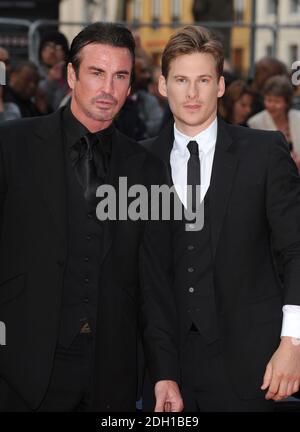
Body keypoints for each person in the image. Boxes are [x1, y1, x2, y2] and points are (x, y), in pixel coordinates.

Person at [0, 22, 182, 412]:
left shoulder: (146, 167)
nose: (108, 89)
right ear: (71, 75)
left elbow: (155, 283)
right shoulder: (13, 146)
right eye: (96, 73)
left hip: (110, 371)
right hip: (22, 364)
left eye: (120, 76)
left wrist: (164, 371)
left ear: (131, 85)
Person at [142, 25, 300, 412]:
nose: (192, 93)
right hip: (169, 372)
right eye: (181, 80)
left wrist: (292, 343)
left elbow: (296, 251)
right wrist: (162, 370)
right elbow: (147, 279)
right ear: (163, 85)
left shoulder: (263, 153)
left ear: (221, 86)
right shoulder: (139, 163)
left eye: (203, 80)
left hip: (257, 366)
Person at [248, 75, 300, 171]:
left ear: (287, 102)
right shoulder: (255, 123)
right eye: (269, 100)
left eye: (277, 101)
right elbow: (256, 158)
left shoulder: (297, 118)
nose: (272, 105)